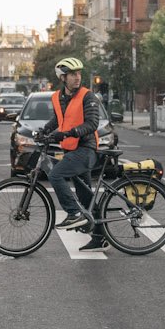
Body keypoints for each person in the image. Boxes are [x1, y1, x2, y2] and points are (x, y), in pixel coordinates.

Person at [38, 56, 108, 251]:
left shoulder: (88, 96)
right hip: (71, 149)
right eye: (72, 74)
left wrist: (70, 132)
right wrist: (44, 131)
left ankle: (73, 213)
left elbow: (92, 123)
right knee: (86, 196)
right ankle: (100, 238)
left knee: (55, 174)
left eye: (78, 74)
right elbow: (59, 118)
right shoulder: (58, 97)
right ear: (63, 78)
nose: (77, 78)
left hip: (86, 149)